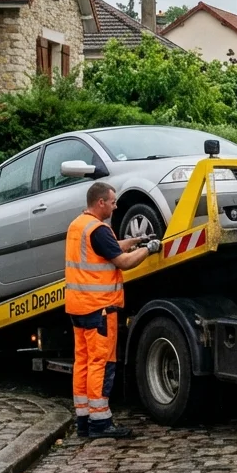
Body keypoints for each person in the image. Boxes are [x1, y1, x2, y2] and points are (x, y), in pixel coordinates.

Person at [66, 181, 161, 439]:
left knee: (83, 362)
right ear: (101, 203)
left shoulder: (78, 226)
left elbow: (110, 248)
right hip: (100, 309)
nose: (115, 205)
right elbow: (123, 262)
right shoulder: (98, 229)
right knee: (101, 363)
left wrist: (135, 240)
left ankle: (84, 420)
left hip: (79, 306)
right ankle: (100, 422)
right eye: (112, 201)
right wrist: (148, 249)